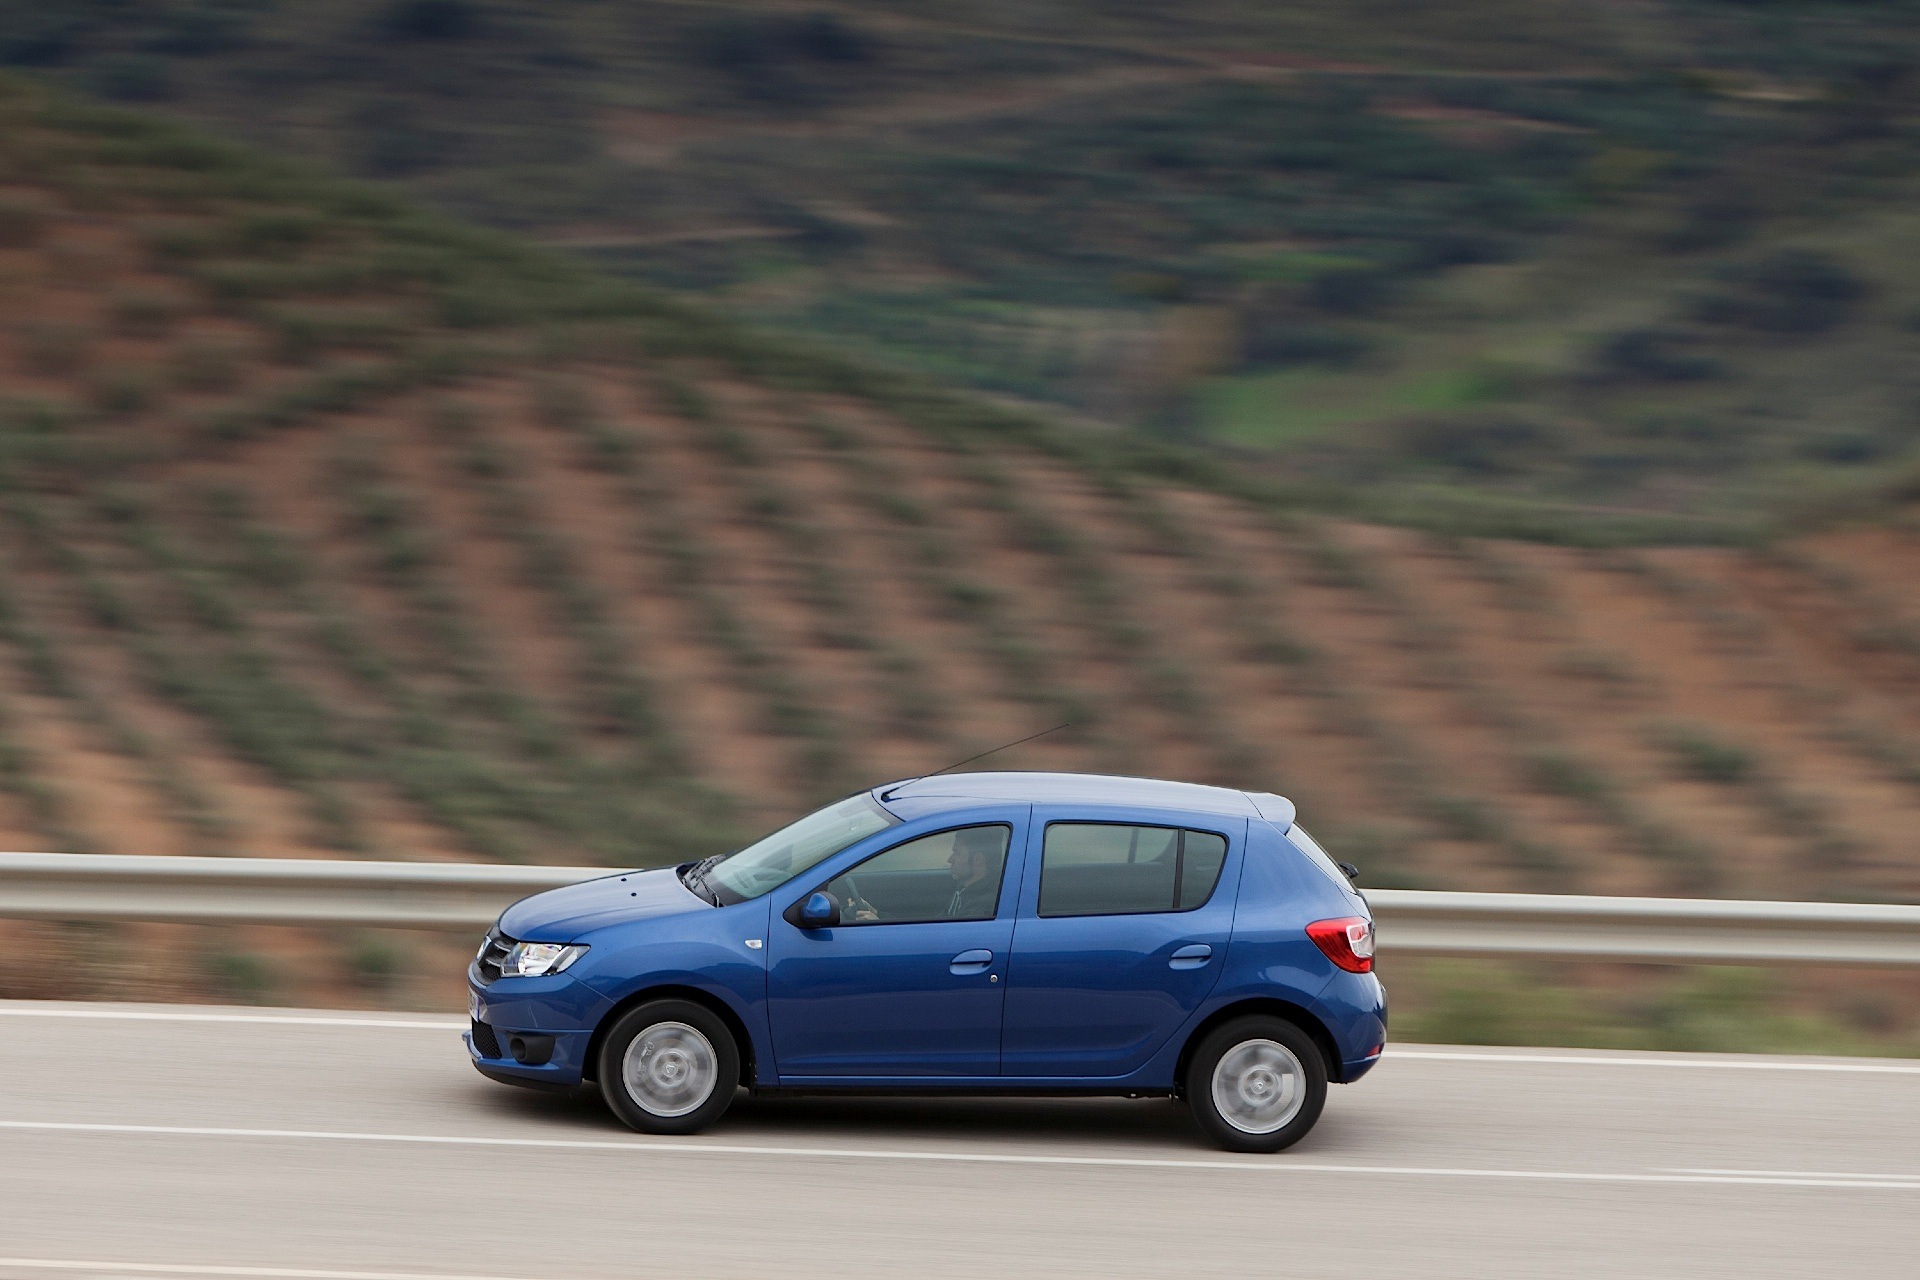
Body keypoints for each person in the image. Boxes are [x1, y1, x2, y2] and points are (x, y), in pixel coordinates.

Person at [944, 826, 1004, 919]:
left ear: (977, 860)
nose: (950, 859)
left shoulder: (979, 907)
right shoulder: (965, 888)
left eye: (957, 853)